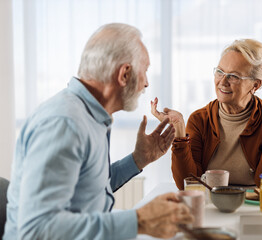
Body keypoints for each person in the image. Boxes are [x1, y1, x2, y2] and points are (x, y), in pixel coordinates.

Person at [3, 23, 193, 240]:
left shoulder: (90, 116)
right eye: (146, 71)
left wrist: (138, 160)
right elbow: (37, 229)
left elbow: (87, 192)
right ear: (124, 74)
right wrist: (138, 220)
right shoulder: (65, 123)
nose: (147, 83)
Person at [151, 39, 262, 189]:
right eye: (220, 71)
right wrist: (179, 130)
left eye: (234, 76)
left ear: (255, 85)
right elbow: (187, 184)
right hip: (212, 207)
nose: (223, 81)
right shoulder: (200, 120)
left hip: (255, 208)